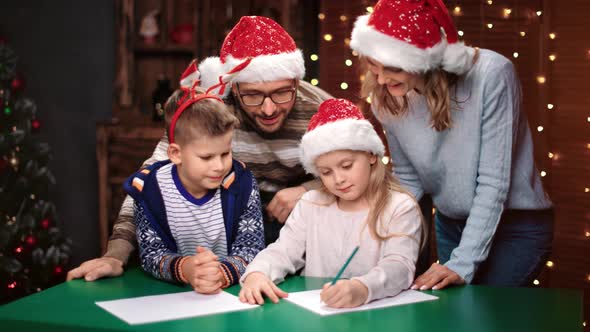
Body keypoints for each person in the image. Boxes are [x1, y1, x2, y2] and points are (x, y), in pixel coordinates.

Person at [67, 16, 332, 282]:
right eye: (252, 95)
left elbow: (367, 170)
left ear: (297, 82)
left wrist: (308, 191)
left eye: (282, 92)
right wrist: (115, 254)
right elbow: (148, 184)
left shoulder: (322, 110)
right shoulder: (212, 111)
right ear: (234, 87)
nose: (269, 108)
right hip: (225, 232)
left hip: (299, 233)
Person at [349, 0, 553, 290]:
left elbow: (494, 183)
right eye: (373, 65)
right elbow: (408, 180)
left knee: (485, 316)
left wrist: (461, 263)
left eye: (392, 67)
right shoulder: (386, 95)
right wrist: (378, 237)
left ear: (423, 59)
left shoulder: (492, 74)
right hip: (451, 224)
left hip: (515, 227)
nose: (380, 79)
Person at [239, 98, 423, 308]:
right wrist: (258, 272)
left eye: (346, 165)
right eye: (326, 172)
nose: (338, 179)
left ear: (371, 155)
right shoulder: (311, 203)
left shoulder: (399, 206)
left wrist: (363, 288)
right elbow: (283, 251)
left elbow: (399, 266)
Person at [122, 86, 265, 292]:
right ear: (175, 154)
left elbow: (251, 248)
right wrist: (185, 269)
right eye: (206, 157)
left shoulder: (241, 184)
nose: (219, 166)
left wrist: (220, 274)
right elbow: (151, 254)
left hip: (230, 293)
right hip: (171, 296)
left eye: (225, 153)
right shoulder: (150, 190)